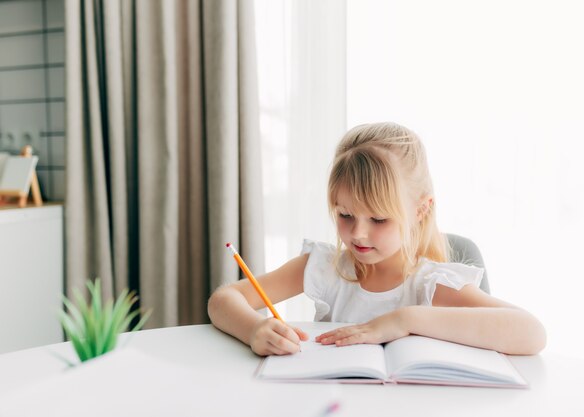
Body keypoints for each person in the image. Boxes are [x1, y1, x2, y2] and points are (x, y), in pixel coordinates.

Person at [208, 122, 546, 357]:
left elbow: (531, 332)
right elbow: (223, 301)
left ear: (420, 210)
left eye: (379, 219)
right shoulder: (324, 268)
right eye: (345, 215)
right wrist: (254, 330)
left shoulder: (430, 284)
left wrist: (404, 320)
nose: (358, 233)